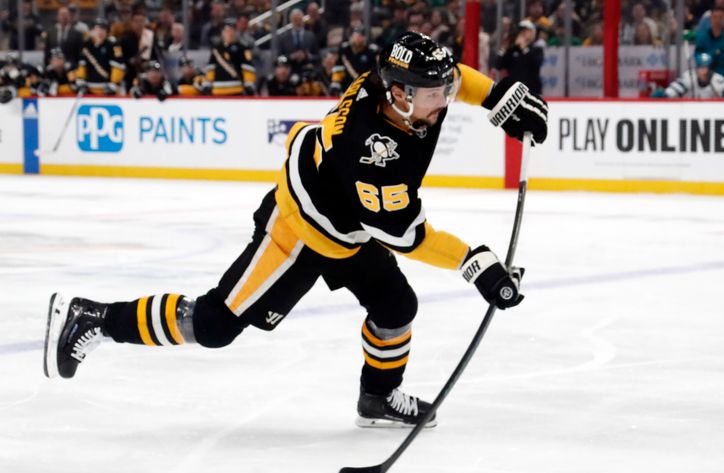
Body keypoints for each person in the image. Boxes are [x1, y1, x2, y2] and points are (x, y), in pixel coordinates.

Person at [42, 32, 548, 429]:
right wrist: (475, 262)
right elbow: (407, 235)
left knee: (396, 307)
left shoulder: (397, 87)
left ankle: (376, 396)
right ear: (399, 93)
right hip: (298, 230)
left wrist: (499, 98)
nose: (447, 100)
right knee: (216, 325)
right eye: (439, 95)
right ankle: (95, 317)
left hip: (347, 226)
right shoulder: (371, 155)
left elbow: (454, 74)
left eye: (446, 92)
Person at [205, 18, 256, 95]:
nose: (229, 33)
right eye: (226, 30)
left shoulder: (242, 48)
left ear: (235, 32)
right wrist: (208, 83)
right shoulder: (216, 48)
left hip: (236, 89)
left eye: (231, 30)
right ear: (222, 32)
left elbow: (247, 67)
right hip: (217, 89)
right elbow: (211, 67)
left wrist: (249, 83)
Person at [75, 18, 125, 96]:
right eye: (97, 29)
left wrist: (113, 85)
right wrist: (81, 82)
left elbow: (118, 66)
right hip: (88, 89)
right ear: (92, 30)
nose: (100, 32)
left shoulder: (113, 45)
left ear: (107, 31)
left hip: (107, 89)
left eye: (103, 29)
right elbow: (82, 65)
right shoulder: (86, 45)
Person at [652, 52, 724, 99]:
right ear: (696, 68)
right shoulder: (689, 77)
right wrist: (665, 94)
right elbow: (674, 91)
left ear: (710, 68)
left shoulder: (719, 81)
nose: (703, 70)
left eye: (706, 67)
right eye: (700, 67)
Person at [694, 6, 724, 88]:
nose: (717, 20)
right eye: (715, 17)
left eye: (720, 17)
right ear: (710, 18)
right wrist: (717, 52)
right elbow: (698, 57)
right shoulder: (702, 37)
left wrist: (708, 55)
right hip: (705, 77)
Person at [497, 20, 543, 95]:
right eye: (521, 31)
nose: (522, 33)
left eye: (525, 31)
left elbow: (536, 64)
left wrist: (524, 48)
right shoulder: (513, 50)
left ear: (532, 32)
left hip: (533, 91)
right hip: (515, 93)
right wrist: (503, 49)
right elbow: (499, 66)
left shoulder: (536, 49)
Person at [331, 26, 379, 92]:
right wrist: (336, 83)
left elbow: (375, 72)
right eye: (355, 36)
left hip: (365, 88)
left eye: (360, 36)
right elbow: (338, 68)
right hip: (347, 88)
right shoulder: (344, 50)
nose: (357, 38)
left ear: (365, 38)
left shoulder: (371, 51)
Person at [274, 8, 319, 73]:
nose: (297, 22)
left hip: (308, 69)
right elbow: (279, 58)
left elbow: (318, 57)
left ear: (302, 19)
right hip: (289, 71)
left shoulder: (311, 36)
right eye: (295, 20)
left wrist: (308, 56)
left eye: (299, 19)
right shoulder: (284, 38)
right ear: (291, 21)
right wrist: (290, 57)